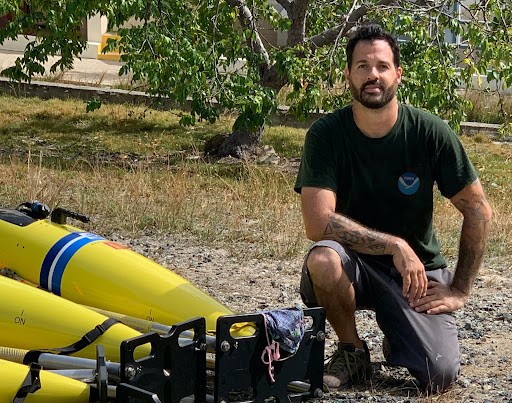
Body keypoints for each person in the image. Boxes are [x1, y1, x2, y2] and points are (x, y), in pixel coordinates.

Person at [294, 24, 492, 393]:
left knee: (439, 376)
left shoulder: (431, 132)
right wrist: (394, 245)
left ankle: (399, 336)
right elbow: (317, 222)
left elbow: (478, 210)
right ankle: (352, 350)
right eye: (362, 65)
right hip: (352, 263)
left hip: (416, 273)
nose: (373, 75)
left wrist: (460, 289)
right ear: (347, 75)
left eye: (382, 66)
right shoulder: (325, 134)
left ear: (398, 75)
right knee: (322, 259)